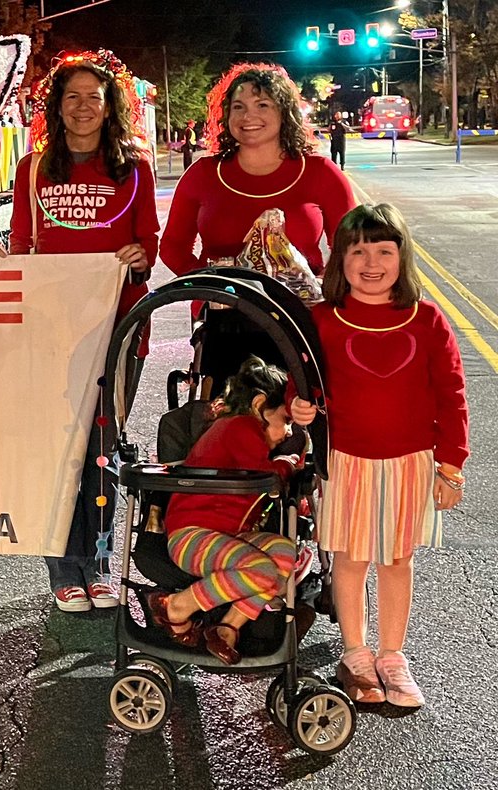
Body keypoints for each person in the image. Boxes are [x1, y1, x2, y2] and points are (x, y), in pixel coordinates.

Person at [290, 203, 468, 707]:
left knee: (396, 558)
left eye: (384, 250)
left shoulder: (427, 319)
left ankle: (392, 655)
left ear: (402, 257)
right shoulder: (323, 320)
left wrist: (450, 466)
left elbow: (452, 394)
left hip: (411, 462)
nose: (371, 262)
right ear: (338, 261)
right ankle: (355, 653)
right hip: (347, 461)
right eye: (358, 251)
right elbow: (302, 384)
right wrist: (299, 406)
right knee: (350, 558)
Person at [9, 51, 159, 612]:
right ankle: (62, 569)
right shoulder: (32, 170)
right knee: (60, 451)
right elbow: (23, 248)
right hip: (52, 332)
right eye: (72, 96)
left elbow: (151, 246)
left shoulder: (135, 167)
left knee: (102, 448)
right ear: (57, 105)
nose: (83, 107)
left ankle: (99, 564)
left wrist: (138, 254)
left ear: (109, 105)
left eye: (93, 97)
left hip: (119, 328)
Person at [160, 62, 356, 392]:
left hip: (301, 320)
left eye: (262, 104)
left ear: (284, 112)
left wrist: (321, 287)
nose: (249, 116)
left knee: (300, 423)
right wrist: (210, 285)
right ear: (226, 116)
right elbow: (173, 247)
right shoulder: (204, 174)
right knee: (223, 425)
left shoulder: (320, 173)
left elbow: (353, 249)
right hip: (222, 324)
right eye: (239, 107)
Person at [147, 357, 300, 665]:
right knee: (264, 572)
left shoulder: (239, 429)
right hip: (193, 537)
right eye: (285, 420)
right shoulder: (240, 427)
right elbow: (263, 478)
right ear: (259, 404)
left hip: (226, 537)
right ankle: (177, 606)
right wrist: (287, 463)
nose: (287, 432)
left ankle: (227, 627)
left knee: (285, 552)